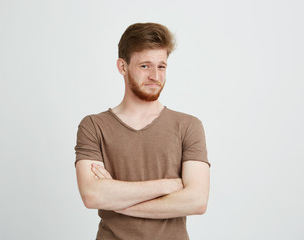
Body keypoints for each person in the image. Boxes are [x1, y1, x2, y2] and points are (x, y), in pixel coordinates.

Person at [75, 22, 210, 240]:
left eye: (161, 66)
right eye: (145, 66)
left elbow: (197, 201)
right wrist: (168, 185)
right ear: (122, 67)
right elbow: (92, 195)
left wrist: (118, 202)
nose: (155, 76)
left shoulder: (188, 126)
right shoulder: (93, 126)